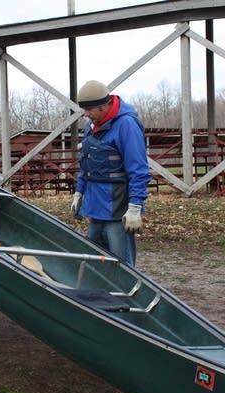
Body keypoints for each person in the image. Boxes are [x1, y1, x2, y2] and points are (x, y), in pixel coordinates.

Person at [70, 80, 150, 268]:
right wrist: (79, 193)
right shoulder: (90, 127)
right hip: (95, 205)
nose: (86, 115)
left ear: (103, 106)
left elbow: (138, 169)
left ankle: (126, 294)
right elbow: (86, 164)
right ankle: (97, 294)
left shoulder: (126, 125)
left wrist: (135, 206)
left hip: (117, 207)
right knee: (94, 258)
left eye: (89, 110)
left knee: (120, 262)